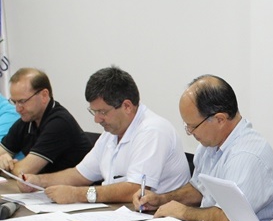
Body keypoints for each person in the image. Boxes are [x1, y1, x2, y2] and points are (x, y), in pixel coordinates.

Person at [134, 75, 273, 221]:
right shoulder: (210, 144)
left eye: (193, 126)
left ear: (220, 119)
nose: (190, 132)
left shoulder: (247, 156)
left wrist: (183, 212)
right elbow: (199, 189)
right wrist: (162, 199)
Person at [20, 65, 190, 203]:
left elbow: (135, 189)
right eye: (93, 112)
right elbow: (80, 174)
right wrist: (37, 181)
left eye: (102, 112)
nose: (97, 119)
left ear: (127, 106)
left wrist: (77, 194)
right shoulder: (112, 131)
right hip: (121, 215)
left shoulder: (153, 130)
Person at [0, 68, 91, 175]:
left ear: (44, 95)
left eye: (22, 101)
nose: (18, 109)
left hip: (75, 185)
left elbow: (24, 171)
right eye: (14, 102)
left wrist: (6, 166)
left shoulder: (59, 123)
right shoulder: (27, 120)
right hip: (43, 184)